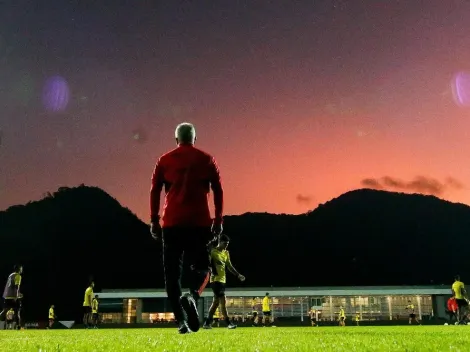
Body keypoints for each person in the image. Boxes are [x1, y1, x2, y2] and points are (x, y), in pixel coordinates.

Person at [150, 122, 224, 334]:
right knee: (204, 269)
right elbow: (218, 190)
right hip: (199, 223)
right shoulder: (207, 159)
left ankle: (181, 322)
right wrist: (218, 220)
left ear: (176, 140)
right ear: (195, 139)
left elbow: (154, 191)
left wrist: (154, 220)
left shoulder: (164, 160)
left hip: (172, 224)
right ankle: (192, 295)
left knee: (172, 275)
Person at [202, 234, 245, 330]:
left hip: (223, 281)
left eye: (227, 244)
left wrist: (238, 275)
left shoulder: (226, 253)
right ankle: (228, 323)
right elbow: (206, 261)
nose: (226, 245)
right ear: (219, 242)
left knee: (216, 303)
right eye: (225, 243)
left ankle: (207, 323)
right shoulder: (213, 251)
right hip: (215, 280)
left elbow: (229, 266)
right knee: (222, 299)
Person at [0, 265, 23, 329]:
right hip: (13, 296)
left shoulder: (10, 275)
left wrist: (18, 293)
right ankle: (19, 327)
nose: (22, 270)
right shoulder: (18, 276)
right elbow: (17, 286)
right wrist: (16, 296)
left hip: (7, 296)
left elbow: (10, 286)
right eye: (21, 269)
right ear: (19, 269)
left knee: (4, 311)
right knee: (17, 311)